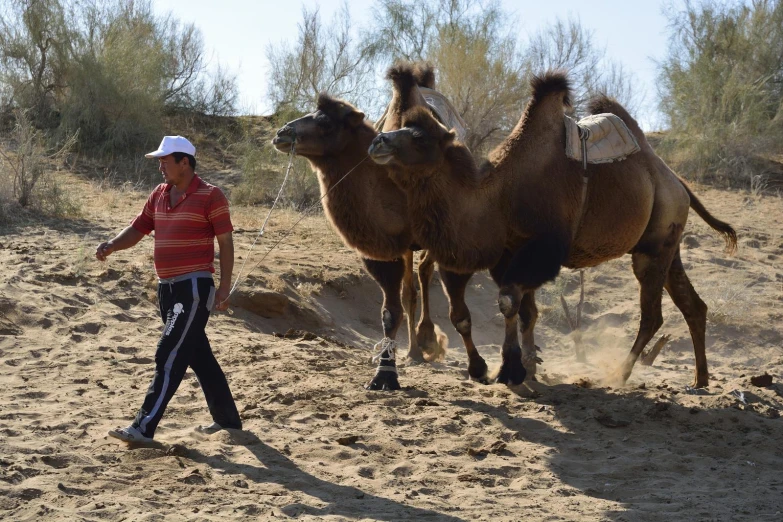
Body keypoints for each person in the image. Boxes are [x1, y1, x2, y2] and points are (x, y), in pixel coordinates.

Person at [96, 135, 242, 443]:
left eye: (165, 161)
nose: (160, 167)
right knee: (197, 354)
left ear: (184, 163)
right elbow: (137, 229)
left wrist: (224, 287)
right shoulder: (160, 194)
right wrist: (111, 245)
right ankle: (228, 421)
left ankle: (143, 427)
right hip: (167, 290)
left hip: (194, 288)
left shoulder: (211, 195)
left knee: (169, 353)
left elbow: (225, 243)